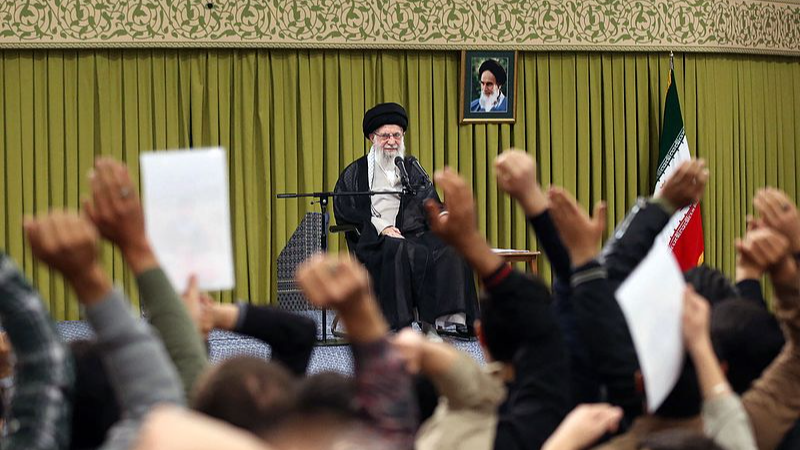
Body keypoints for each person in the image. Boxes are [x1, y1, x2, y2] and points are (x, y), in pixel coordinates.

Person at [333, 102, 477, 333]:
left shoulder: (410, 167)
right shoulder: (357, 171)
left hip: (414, 233)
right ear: (372, 137)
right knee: (398, 248)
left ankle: (449, 317)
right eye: (385, 135)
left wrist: (445, 216)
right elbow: (345, 208)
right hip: (378, 239)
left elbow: (430, 200)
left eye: (397, 135)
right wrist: (381, 226)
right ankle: (401, 323)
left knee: (452, 247)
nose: (392, 141)